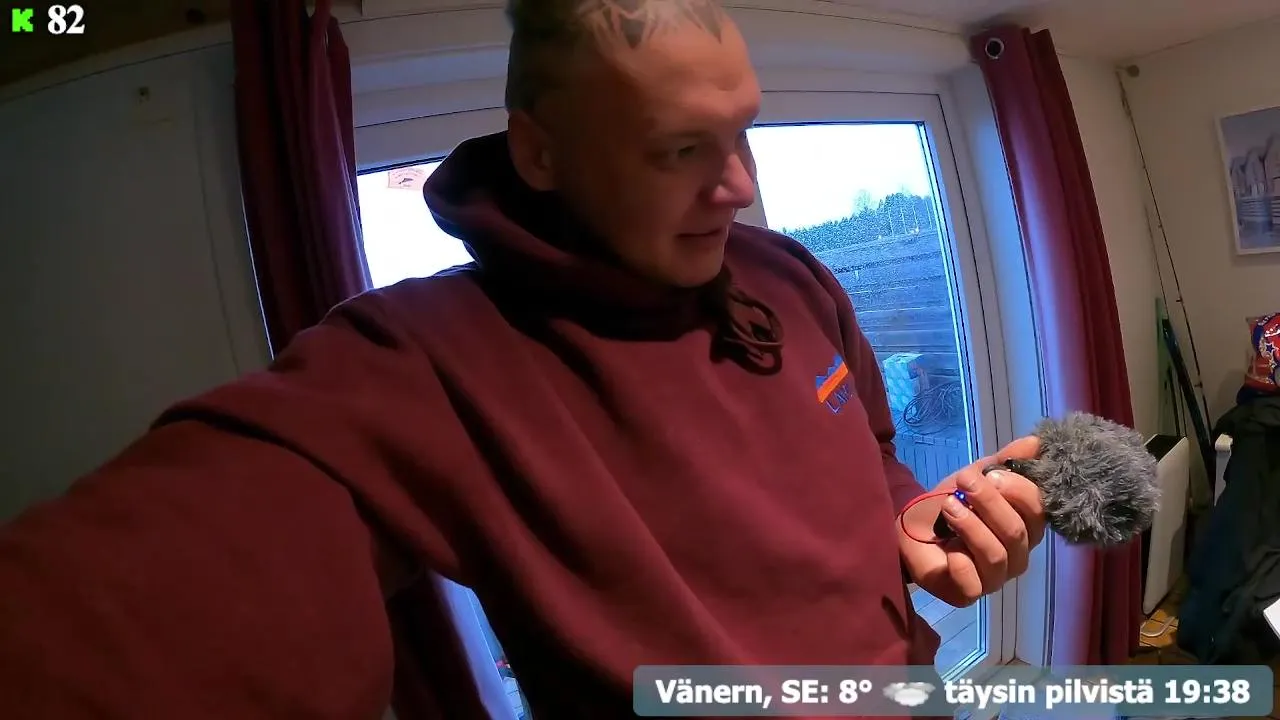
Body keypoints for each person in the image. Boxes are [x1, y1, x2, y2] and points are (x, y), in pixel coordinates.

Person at [0, 0, 1047, 716]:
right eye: (679, 148)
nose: (737, 184)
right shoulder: (424, 360)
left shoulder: (786, 273)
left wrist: (917, 519)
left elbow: (871, 458)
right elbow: (131, 603)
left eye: (741, 132)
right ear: (541, 151)